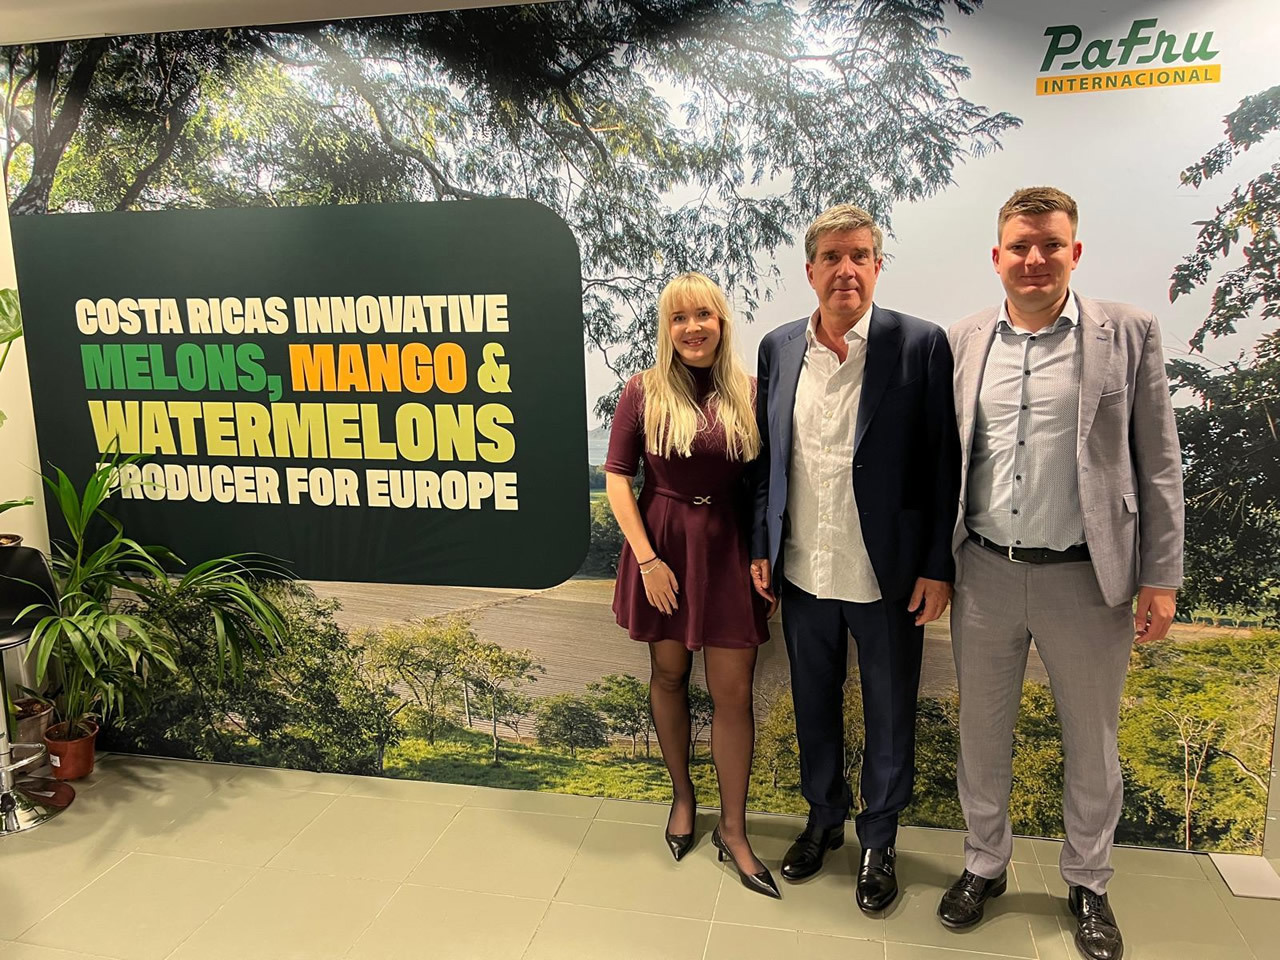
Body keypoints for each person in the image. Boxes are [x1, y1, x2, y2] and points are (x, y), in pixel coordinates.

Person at [938, 186, 1184, 960]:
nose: (1034, 258)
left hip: (1088, 579)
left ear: (1074, 252)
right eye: (1020, 246)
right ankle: (985, 863)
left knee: (1093, 741)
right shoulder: (963, 339)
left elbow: (1159, 463)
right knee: (982, 736)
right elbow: (945, 462)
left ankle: (1088, 881)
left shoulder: (1128, 333)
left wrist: (1162, 575)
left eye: (1050, 244)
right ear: (997, 256)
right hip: (984, 574)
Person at [750, 205, 960, 912]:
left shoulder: (919, 344)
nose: (847, 269)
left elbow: (942, 464)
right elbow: (768, 462)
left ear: (877, 265)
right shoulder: (779, 348)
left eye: (860, 256)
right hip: (804, 569)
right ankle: (823, 820)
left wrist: (937, 565)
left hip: (889, 574)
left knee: (890, 712)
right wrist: (761, 546)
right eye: (833, 257)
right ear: (810, 270)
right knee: (813, 704)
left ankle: (880, 838)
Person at [605, 271, 778, 899]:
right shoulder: (643, 390)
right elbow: (617, 477)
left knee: (734, 694)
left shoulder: (750, 392)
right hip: (663, 548)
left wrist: (763, 553)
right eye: (679, 318)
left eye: (703, 314)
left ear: (721, 322)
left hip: (729, 549)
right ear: (667, 329)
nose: (692, 327)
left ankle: (734, 830)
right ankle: (683, 798)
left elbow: (764, 485)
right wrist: (648, 561)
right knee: (670, 675)